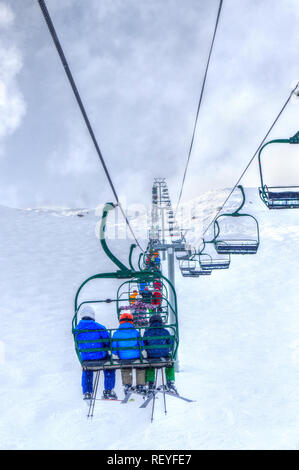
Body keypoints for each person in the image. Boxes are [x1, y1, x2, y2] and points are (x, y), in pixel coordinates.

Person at [75, 305, 117, 400]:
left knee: (86, 369)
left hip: (86, 358)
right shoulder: (99, 327)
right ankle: (108, 390)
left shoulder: (77, 329)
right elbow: (107, 341)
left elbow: (77, 343)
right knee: (109, 366)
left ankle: (87, 392)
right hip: (100, 357)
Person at [112, 313, 146, 394]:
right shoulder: (136, 332)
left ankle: (127, 385)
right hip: (136, 357)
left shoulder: (116, 333)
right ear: (131, 322)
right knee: (140, 367)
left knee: (126, 368)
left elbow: (114, 348)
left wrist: (116, 355)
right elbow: (141, 345)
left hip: (124, 358)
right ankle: (140, 385)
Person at [143, 314, 177, 394]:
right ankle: (170, 382)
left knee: (150, 364)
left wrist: (150, 349)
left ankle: (150, 383)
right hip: (164, 356)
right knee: (170, 363)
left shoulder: (147, 332)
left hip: (152, 357)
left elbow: (144, 345)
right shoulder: (165, 331)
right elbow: (170, 345)